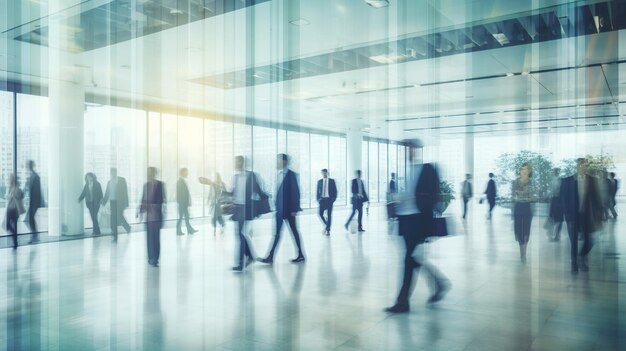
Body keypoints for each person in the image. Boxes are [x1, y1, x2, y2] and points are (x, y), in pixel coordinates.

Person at [385, 139, 450, 313]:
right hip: (405, 219)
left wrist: (427, 228)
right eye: (407, 149)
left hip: (419, 220)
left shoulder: (427, 169)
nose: (409, 152)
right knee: (413, 259)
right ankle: (439, 283)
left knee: (408, 259)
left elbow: (433, 197)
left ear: (419, 150)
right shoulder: (405, 171)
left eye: (412, 148)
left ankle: (403, 301)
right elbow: (406, 196)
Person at [258, 154, 305, 264]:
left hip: (289, 211)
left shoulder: (291, 175)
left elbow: (296, 192)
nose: (276, 163)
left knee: (293, 232)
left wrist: (294, 209)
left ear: (283, 162)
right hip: (280, 210)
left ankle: (300, 255)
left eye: (278, 160)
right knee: (278, 234)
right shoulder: (279, 175)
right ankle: (271, 257)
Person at [560, 158, 603, 274]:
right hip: (573, 216)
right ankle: (574, 264)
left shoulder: (592, 180)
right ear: (577, 166)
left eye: (584, 165)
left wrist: (600, 213)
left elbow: (596, 198)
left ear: (586, 166)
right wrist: (566, 215)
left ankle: (581, 256)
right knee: (573, 241)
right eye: (580, 165)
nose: (582, 167)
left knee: (590, 239)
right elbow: (563, 199)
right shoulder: (568, 181)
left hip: (587, 216)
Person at [224, 156, 266, 271]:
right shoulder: (235, 177)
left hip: (246, 208)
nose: (236, 164)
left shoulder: (250, 176)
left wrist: (264, 202)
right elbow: (232, 193)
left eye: (237, 162)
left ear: (242, 163)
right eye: (235, 162)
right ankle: (250, 256)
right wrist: (223, 192)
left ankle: (240, 263)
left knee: (240, 235)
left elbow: (258, 190)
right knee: (240, 234)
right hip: (237, 208)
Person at [139, 167, 166, 267]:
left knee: (156, 238)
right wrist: (140, 210)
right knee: (149, 238)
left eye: (150, 172)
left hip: (157, 215)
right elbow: (143, 199)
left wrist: (153, 205)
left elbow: (162, 199)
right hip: (149, 217)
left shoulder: (160, 185)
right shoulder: (145, 185)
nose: (149, 174)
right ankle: (151, 258)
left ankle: (155, 258)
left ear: (154, 173)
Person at [511, 163, 534, 263]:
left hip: (527, 208)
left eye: (526, 169)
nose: (524, 171)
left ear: (529, 171)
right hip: (518, 208)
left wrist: (525, 196)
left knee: (526, 231)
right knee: (519, 231)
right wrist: (521, 196)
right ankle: (522, 253)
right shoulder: (515, 182)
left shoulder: (531, 182)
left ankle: (524, 252)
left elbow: (533, 196)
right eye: (522, 169)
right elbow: (513, 196)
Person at [102, 168, 131, 242]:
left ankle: (126, 228)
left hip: (120, 202)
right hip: (112, 202)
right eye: (111, 172)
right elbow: (107, 193)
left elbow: (125, 192)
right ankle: (115, 233)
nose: (112, 174)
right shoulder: (109, 182)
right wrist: (103, 202)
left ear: (116, 172)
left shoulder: (122, 180)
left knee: (119, 216)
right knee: (113, 218)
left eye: (113, 172)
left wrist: (126, 203)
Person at [4, 174, 25, 250]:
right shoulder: (9, 187)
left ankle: (15, 241)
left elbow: (21, 195)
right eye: (10, 178)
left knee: (11, 225)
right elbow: (6, 197)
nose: (10, 180)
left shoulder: (17, 188)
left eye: (12, 178)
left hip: (14, 210)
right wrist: (10, 195)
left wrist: (12, 195)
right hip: (10, 208)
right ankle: (15, 239)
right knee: (8, 225)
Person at [25, 160, 43, 244]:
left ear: (31, 165)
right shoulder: (32, 176)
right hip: (32, 202)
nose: (27, 166)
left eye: (28, 165)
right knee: (30, 219)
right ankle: (34, 235)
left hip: (34, 202)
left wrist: (36, 203)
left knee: (30, 218)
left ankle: (35, 236)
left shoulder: (35, 176)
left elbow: (37, 191)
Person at [176, 168, 197, 235]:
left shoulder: (182, 181)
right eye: (186, 172)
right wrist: (182, 203)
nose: (187, 173)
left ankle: (189, 229)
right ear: (183, 173)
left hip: (184, 203)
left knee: (186, 217)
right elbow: (179, 194)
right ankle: (179, 231)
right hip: (182, 203)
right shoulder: (180, 181)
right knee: (181, 217)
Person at [316, 169, 337, 236]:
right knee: (320, 214)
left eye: (325, 173)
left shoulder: (332, 181)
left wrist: (333, 199)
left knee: (329, 215)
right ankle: (326, 225)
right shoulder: (319, 181)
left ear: (327, 173)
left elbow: (335, 191)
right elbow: (317, 192)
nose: (324, 174)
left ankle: (328, 230)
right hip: (322, 200)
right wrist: (318, 199)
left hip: (329, 200)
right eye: (323, 173)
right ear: (321, 173)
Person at [547, 168, 564, 242]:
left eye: (553, 172)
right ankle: (556, 235)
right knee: (557, 220)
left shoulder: (558, 180)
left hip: (557, 201)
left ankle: (556, 235)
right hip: (555, 201)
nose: (552, 173)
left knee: (557, 220)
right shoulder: (555, 180)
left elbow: (555, 190)